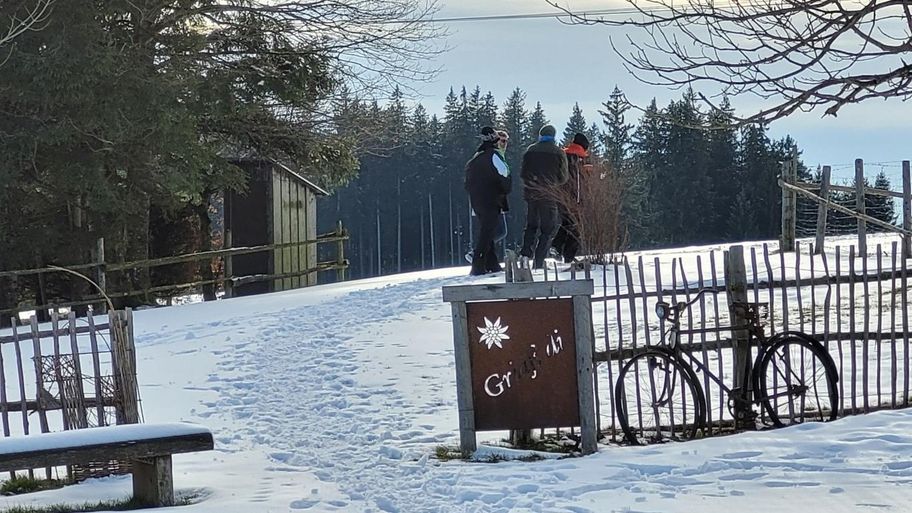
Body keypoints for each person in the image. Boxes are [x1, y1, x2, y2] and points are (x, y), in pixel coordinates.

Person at [519, 124, 568, 269]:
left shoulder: (530, 150)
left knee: (531, 225)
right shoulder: (559, 153)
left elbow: (523, 173)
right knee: (547, 229)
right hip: (549, 194)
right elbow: (563, 177)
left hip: (532, 193)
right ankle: (539, 260)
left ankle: (525, 254)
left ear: (540, 135)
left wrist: (533, 182)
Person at [465, 126, 512, 276]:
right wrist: (504, 189)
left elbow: (468, 181)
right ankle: (477, 266)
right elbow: (504, 175)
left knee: (488, 230)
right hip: (491, 200)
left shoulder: (476, 158)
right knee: (487, 233)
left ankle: (493, 264)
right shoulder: (494, 156)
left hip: (476, 200)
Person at [552, 132, 591, 263]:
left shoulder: (563, 155)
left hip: (560, 196)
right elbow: (579, 183)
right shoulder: (578, 158)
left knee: (567, 223)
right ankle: (564, 252)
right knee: (577, 226)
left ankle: (558, 249)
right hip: (574, 198)